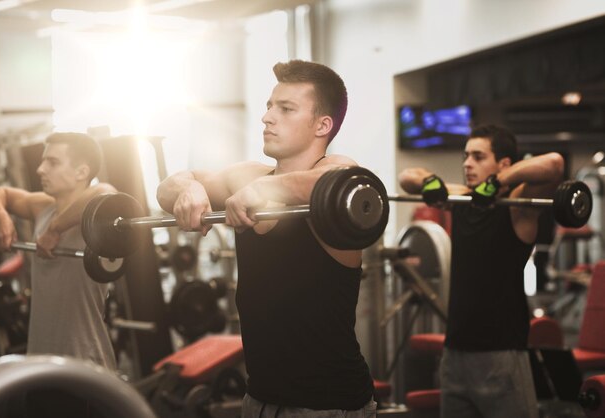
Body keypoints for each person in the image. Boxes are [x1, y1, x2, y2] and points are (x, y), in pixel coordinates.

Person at [157, 60, 376, 417]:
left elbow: (344, 179)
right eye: (269, 106)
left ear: (323, 125)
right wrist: (189, 189)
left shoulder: (338, 180)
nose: (267, 117)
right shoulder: (246, 175)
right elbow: (167, 187)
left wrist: (265, 187)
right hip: (258, 399)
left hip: (327, 404)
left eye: (285, 109)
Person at [398, 125, 565, 418]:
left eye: (477, 156)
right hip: (454, 355)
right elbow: (406, 178)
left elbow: (554, 164)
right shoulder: (462, 197)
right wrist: (430, 180)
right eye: (466, 156)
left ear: (503, 163)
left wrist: (498, 182)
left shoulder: (519, 205)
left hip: (501, 357)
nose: (466, 163)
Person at [0, 132, 117, 417]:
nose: (40, 169)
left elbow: (104, 192)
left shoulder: (98, 214)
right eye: (43, 160)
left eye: (52, 162)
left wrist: (55, 230)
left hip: (84, 369)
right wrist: (1, 216)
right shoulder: (42, 206)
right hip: (41, 368)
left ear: (82, 171)